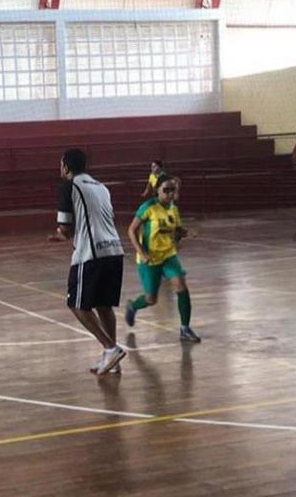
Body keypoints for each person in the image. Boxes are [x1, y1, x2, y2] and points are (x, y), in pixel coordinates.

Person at [50, 149, 126, 375]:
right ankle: (111, 360)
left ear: (66, 166)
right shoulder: (102, 187)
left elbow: (65, 228)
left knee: (76, 304)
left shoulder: (69, 186)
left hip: (90, 254)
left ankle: (110, 347)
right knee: (103, 305)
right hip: (115, 250)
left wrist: (60, 234)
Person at [125, 175, 201, 343]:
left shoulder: (173, 209)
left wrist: (187, 233)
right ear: (157, 191)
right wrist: (141, 252)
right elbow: (131, 230)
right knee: (151, 299)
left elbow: (177, 229)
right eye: (165, 190)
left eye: (172, 190)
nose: (169, 193)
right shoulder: (149, 207)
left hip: (168, 255)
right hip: (150, 259)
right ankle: (133, 306)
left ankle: (185, 329)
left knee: (181, 286)